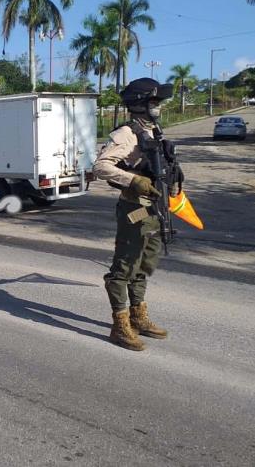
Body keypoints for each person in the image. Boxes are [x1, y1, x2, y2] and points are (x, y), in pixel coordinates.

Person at [93, 77, 179, 351]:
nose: (159, 107)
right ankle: (119, 326)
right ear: (140, 104)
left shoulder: (154, 130)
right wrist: (133, 180)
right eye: (155, 102)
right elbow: (101, 167)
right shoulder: (127, 134)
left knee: (145, 265)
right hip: (135, 209)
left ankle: (137, 317)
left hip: (155, 209)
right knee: (125, 267)